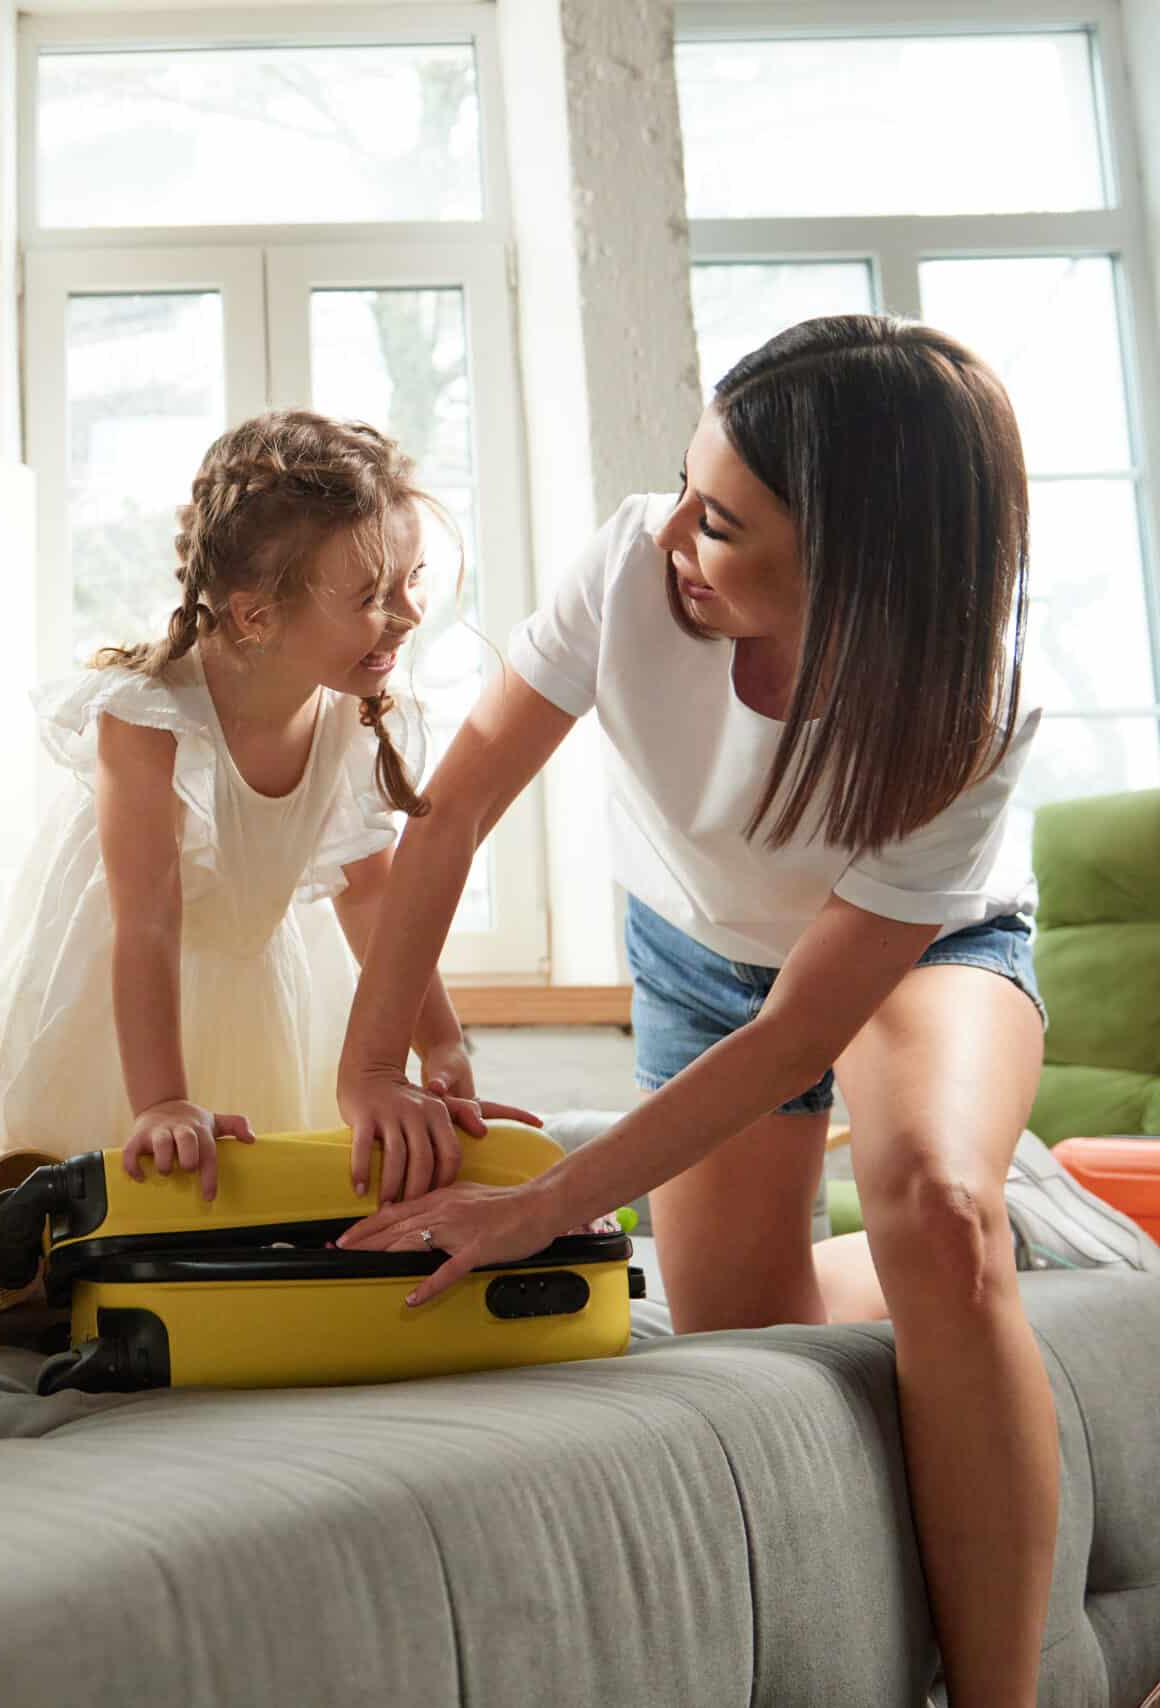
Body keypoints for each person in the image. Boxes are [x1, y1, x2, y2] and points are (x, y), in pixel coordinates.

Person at [334, 317, 1093, 1708]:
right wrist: (373, 1061)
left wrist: (550, 1201)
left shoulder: (968, 706)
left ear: (856, 565)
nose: (674, 529)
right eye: (687, 485)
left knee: (935, 1205)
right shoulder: (631, 563)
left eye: (724, 521)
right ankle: (984, 1263)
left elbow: (808, 1033)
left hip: (917, 957)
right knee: (759, 1320)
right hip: (698, 953)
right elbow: (451, 819)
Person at [0, 410, 526, 1202]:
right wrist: (162, 1101)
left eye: (413, 579)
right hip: (130, 998)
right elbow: (146, 919)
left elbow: (376, 894)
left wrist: (442, 1045)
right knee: (111, 1202)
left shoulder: (352, 713)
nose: (411, 613)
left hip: (258, 982)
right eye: (373, 596)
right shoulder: (149, 716)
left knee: (257, 1205)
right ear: (256, 615)